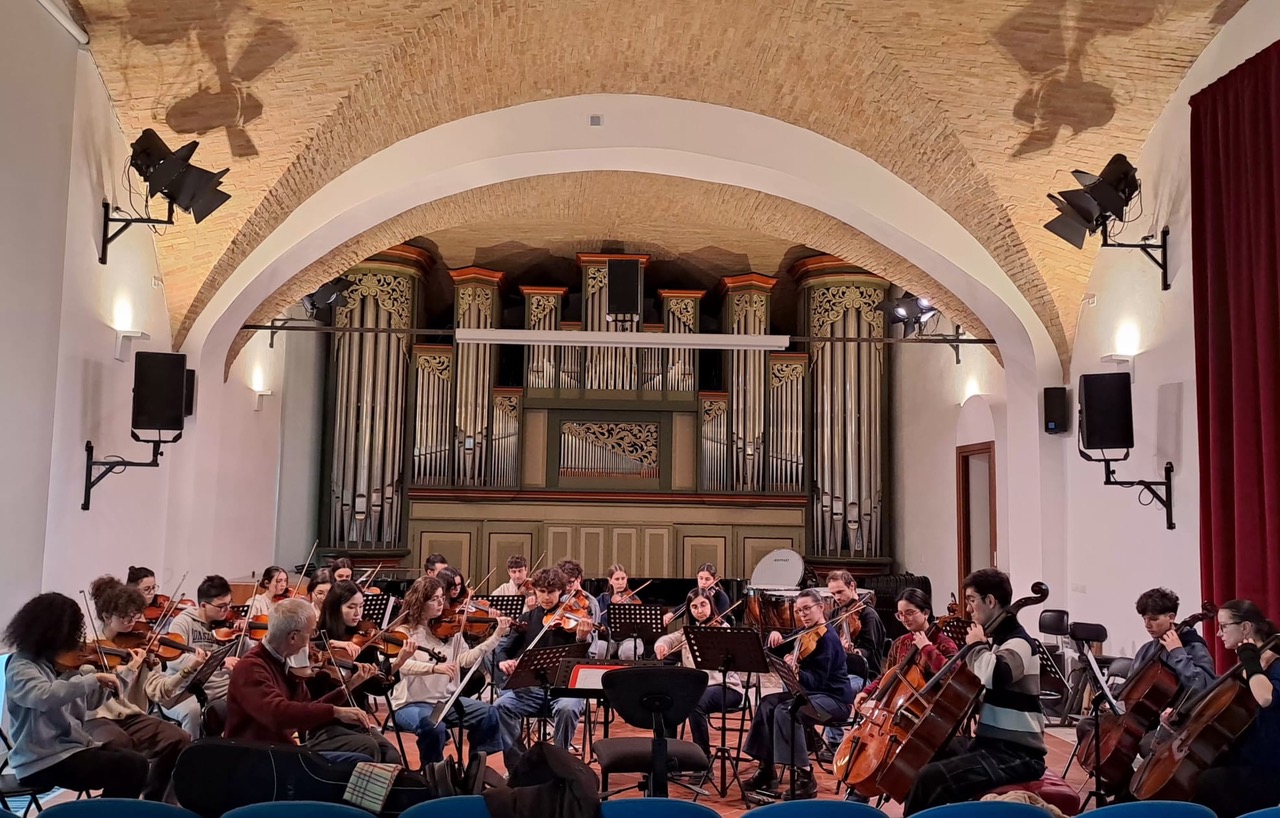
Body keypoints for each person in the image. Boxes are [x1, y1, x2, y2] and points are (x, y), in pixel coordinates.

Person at [902, 568, 1045, 816]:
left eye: (971, 600)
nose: (968, 609)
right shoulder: (996, 642)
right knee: (925, 755)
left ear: (990, 600)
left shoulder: (1019, 642)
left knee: (931, 777)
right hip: (989, 743)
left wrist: (977, 646)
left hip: (1018, 753)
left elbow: (996, 676)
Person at [3, 592, 149, 799]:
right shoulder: (21, 666)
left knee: (133, 760)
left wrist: (127, 672)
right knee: (129, 766)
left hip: (71, 750)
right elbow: (43, 697)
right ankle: (109, 812)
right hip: (40, 761)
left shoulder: (64, 664)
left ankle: (109, 811)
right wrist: (91, 679)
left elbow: (91, 702)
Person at [83, 577, 202, 800]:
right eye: (125, 617)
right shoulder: (89, 649)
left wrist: (188, 670)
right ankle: (114, 805)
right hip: (96, 718)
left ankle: (153, 799)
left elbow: (159, 691)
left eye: (134, 616)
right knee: (121, 745)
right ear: (107, 617)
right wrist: (129, 669)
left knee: (180, 738)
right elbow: (91, 697)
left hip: (130, 717)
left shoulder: (139, 648)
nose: (132, 623)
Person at [224, 597, 383, 758]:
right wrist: (335, 712)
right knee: (361, 757)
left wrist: (348, 687)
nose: (311, 640)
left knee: (373, 754)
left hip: (280, 752)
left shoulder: (285, 662)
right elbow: (276, 714)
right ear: (293, 637)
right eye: (311, 632)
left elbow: (307, 708)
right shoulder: (251, 667)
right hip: (257, 758)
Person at [1075, 587, 1216, 763]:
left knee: (1147, 744)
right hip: (1139, 716)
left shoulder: (1194, 647)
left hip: (1172, 721)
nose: (1147, 625)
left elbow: (1204, 685)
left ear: (1171, 617)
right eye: (1144, 618)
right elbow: (1132, 687)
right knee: (1087, 726)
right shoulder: (1147, 649)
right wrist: (1113, 698)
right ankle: (1119, 777)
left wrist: (1178, 653)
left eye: (1154, 619)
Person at [743, 588, 854, 800]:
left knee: (787, 711)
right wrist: (774, 637)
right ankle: (766, 769)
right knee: (767, 703)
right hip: (810, 695)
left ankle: (805, 776)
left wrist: (797, 672)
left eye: (807, 609)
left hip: (834, 699)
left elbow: (818, 682)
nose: (802, 614)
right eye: (799, 611)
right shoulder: (804, 632)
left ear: (820, 607)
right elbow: (779, 648)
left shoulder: (828, 638)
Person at [392, 576, 510, 765]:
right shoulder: (405, 632)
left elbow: (465, 660)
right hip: (412, 704)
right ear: (419, 602)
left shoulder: (450, 630)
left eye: (441, 597)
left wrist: (495, 637)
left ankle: (475, 768)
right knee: (434, 728)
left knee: (488, 713)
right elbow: (404, 667)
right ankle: (433, 772)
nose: (441, 603)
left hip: (445, 702)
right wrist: (434, 668)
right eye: (434, 599)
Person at [494, 567, 595, 770]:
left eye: (551, 592)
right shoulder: (526, 619)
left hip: (564, 690)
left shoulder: (572, 619)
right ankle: (519, 766)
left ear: (561, 592)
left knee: (567, 708)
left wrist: (581, 638)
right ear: (535, 591)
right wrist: (503, 662)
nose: (546, 597)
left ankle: (559, 764)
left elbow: (583, 662)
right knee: (500, 707)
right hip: (531, 690)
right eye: (542, 592)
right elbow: (503, 650)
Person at [1189, 599, 1280, 818]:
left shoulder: (1275, 664)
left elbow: (1266, 698)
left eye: (1223, 626)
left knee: (1206, 782)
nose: (1218, 633)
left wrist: (1250, 660)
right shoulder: (1245, 667)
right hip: (1242, 756)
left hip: (1268, 767)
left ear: (1246, 627)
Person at [308, 580, 412, 763]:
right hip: (327, 723)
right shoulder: (319, 635)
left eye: (361, 606)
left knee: (392, 757)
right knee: (369, 749)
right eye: (351, 607)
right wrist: (334, 644)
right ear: (335, 607)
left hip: (356, 720)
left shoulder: (363, 639)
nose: (358, 613)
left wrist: (398, 662)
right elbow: (308, 651)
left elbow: (376, 688)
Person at [654, 588, 744, 760]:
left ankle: (703, 758)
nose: (699, 610)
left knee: (696, 703)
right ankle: (667, 756)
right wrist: (661, 645)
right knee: (666, 700)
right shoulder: (689, 631)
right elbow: (669, 639)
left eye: (703, 605)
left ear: (711, 605)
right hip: (697, 688)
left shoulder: (723, 628)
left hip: (725, 687)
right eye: (694, 607)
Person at [163, 574, 246, 737]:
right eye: (221, 606)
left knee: (253, 700)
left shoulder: (229, 626)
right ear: (203, 605)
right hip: (185, 688)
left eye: (229, 604)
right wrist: (219, 661)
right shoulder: (183, 622)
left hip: (221, 687)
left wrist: (245, 634)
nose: (227, 610)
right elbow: (175, 660)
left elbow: (249, 655)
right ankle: (192, 750)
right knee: (192, 712)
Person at [854, 587, 958, 710]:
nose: (904, 619)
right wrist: (867, 691)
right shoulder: (899, 643)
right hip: (899, 707)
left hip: (933, 711)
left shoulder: (944, 643)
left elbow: (954, 675)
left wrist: (927, 648)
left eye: (909, 613)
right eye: (900, 614)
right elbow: (888, 674)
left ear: (926, 613)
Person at [826, 570, 887, 678]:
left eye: (840, 592)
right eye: (833, 594)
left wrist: (854, 653)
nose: (837, 597)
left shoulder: (869, 615)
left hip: (864, 675)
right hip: (840, 671)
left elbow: (868, 649)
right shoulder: (835, 613)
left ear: (852, 586)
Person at [597, 564, 646, 660]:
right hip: (608, 639)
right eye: (617, 579)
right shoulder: (602, 599)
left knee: (628, 651)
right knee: (599, 649)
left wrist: (628, 607)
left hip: (630, 638)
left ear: (626, 578)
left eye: (623, 579)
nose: (620, 582)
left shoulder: (633, 599)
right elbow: (593, 614)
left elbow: (641, 623)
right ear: (610, 580)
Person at [663, 562, 730, 627]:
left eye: (707, 579)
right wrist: (672, 614)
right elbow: (686, 605)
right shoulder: (697, 593)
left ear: (714, 580)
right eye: (701, 578)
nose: (703, 582)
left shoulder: (722, 597)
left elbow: (718, 621)